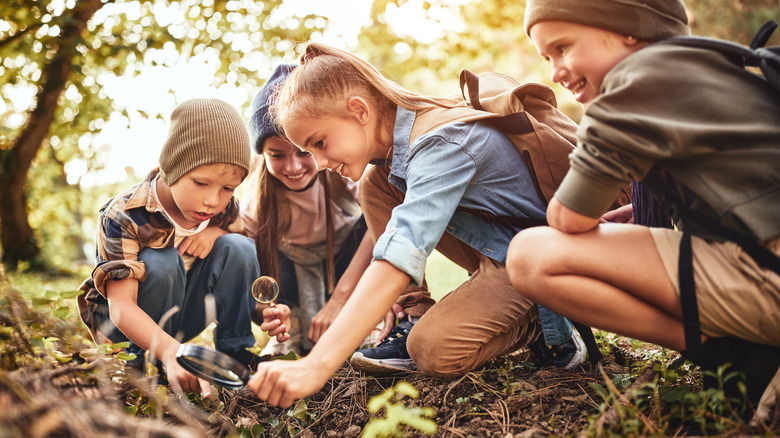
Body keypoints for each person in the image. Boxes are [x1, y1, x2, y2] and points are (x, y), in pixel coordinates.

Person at [246, 42, 590, 408]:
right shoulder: (388, 165)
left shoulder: (441, 142)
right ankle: (416, 314)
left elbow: (401, 250)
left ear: (359, 110)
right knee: (375, 185)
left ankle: (550, 319)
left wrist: (316, 365)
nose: (318, 162)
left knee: (432, 349)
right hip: (504, 251)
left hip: (545, 260)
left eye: (319, 143)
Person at [507, 0, 780, 408]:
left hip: (767, 279)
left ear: (628, 30)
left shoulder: (635, 80)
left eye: (562, 48)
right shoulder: (704, 63)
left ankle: (720, 347)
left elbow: (566, 217)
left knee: (530, 254)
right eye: (547, 57)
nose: (555, 72)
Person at [77, 98, 262, 397]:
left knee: (239, 247)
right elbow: (121, 307)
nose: (213, 200)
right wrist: (172, 351)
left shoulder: (220, 210)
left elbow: (243, 237)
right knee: (162, 260)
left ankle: (236, 356)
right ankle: (132, 373)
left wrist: (215, 232)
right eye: (200, 182)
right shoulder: (125, 215)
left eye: (228, 188)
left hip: (177, 319)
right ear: (172, 168)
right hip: (123, 328)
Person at [242, 64, 375, 355]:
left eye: (304, 152)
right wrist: (268, 310)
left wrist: (340, 298)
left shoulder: (340, 171)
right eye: (276, 155)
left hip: (343, 265)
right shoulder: (256, 202)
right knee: (246, 247)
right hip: (291, 273)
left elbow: (386, 224)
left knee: (374, 220)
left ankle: (364, 319)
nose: (293, 167)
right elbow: (250, 271)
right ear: (262, 155)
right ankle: (291, 329)